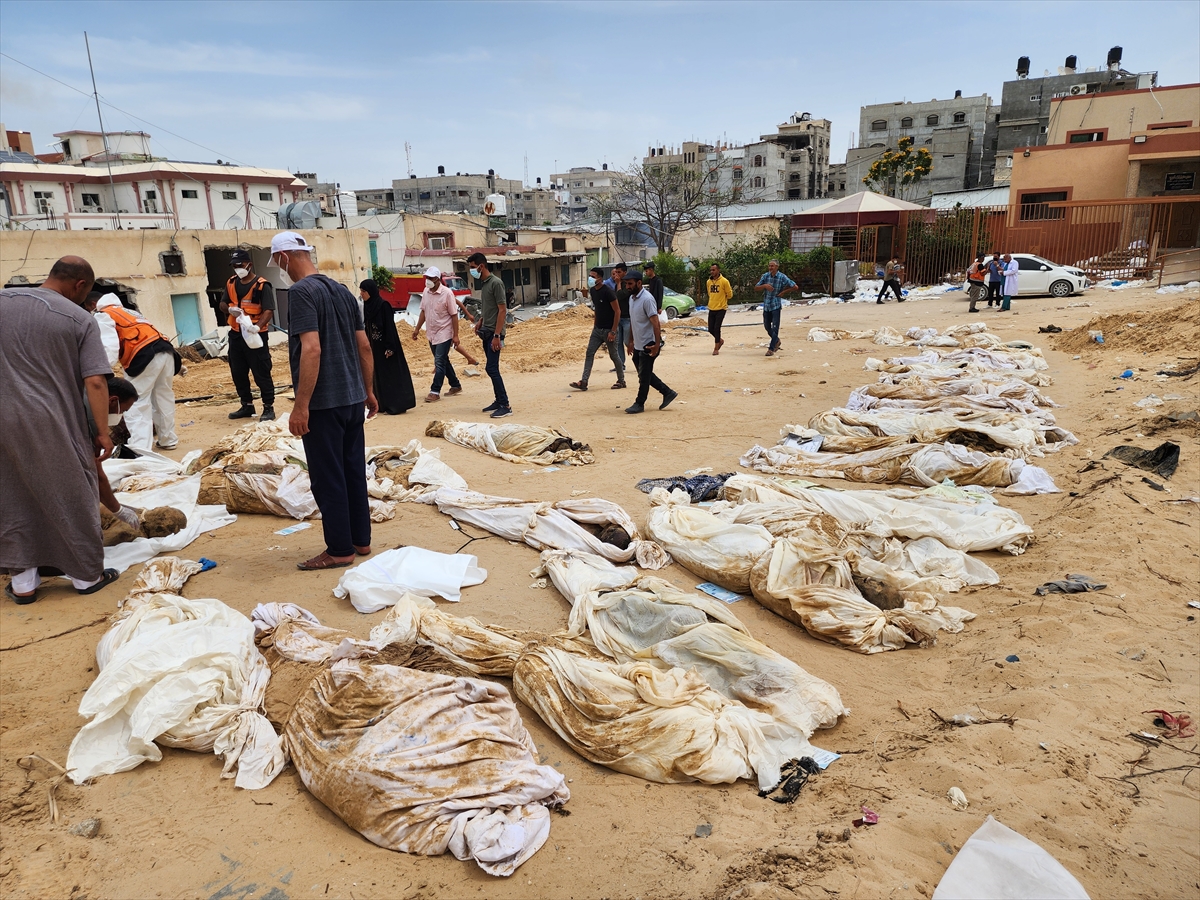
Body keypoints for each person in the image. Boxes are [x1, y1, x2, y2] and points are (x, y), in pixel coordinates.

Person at [1, 256, 119, 602]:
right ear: (80, 285)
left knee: (10, 495)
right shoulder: (78, 318)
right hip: (51, 420)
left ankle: (23, 583)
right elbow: (96, 381)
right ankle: (85, 575)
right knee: (73, 492)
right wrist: (102, 432)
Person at [272, 231, 377, 571]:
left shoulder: (301, 293)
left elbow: (311, 349)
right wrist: (369, 391)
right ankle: (361, 540)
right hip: (351, 400)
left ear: (283, 257)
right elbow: (363, 346)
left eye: (277, 261)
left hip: (324, 403)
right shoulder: (344, 292)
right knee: (352, 473)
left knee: (327, 476)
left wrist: (301, 405)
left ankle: (339, 549)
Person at [94, 292, 180, 450]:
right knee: (163, 397)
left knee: (136, 402)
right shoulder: (130, 312)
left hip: (142, 355)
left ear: (92, 305)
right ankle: (168, 440)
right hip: (166, 351)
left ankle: (140, 449)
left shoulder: (103, 315)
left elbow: (110, 345)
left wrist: (103, 371)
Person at [221, 248, 276, 421]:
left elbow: (268, 310)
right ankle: (247, 405)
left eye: (240, 264)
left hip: (255, 335)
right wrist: (229, 309)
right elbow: (222, 303)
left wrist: (257, 327)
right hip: (236, 334)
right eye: (234, 265)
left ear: (249, 265)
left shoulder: (261, 285)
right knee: (238, 371)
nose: (237, 268)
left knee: (261, 371)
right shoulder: (231, 282)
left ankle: (268, 407)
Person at [624, 270, 677, 414]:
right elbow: (633, 322)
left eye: (630, 284)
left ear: (639, 283)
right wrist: (630, 342)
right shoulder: (632, 299)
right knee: (644, 374)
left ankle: (639, 403)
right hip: (639, 344)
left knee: (644, 376)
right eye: (626, 284)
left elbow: (656, 324)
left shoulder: (647, 299)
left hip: (649, 343)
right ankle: (667, 392)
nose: (627, 287)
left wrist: (656, 345)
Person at [359, 279, 415, 415]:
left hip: (386, 347)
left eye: (364, 291)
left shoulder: (383, 305)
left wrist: (390, 347)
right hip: (373, 347)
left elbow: (390, 328)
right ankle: (381, 404)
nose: (361, 294)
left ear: (370, 292)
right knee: (377, 375)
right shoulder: (366, 307)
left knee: (390, 375)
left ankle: (396, 405)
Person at [412, 266, 465, 402]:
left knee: (439, 362)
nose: (427, 280)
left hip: (444, 333)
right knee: (443, 360)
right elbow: (423, 311)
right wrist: (417, 329)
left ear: (437, 279)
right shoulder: (426, 292)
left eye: (430, 278)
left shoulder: (447, 293)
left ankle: (435, 391)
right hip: (431, 333)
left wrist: (456, 335)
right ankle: (455, 385)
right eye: (427, 278)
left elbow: (454, 315)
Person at [467, 252, 511, 418]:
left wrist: (497, 336)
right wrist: (480, 321)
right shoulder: (485, 284)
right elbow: (489, 308)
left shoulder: (496, 283)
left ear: (481, 266)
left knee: (491, 368)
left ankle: (505, 405)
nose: (472, 270)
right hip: (487, 331)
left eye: (472, 267)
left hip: (495, 333)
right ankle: (498, 401)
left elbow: (502, 310)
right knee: (493, 369)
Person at [571, 266, 623, 391]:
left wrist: (613, 331)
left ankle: (621, 380)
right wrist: (595, 325)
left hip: (609, 330)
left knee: (614, 355)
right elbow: (597, 310)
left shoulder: (608, 292)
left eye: (593, 276)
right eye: (590, 276)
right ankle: (584, 381)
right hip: (597, 329)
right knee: (589, 353)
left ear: (600, 278)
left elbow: (617, 311)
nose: (590, 279)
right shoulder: (593, 291)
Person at [753, 259, 797, 357]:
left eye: (772, 266)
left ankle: (771, 348)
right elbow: (756, 287)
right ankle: (776, 340)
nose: (770, 268)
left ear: (777, 267)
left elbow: (795, 286)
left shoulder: (782, 277)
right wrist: (765, 286)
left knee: (775, 327)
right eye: (769, 266)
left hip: (776, 305)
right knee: (767, 326)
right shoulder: (765, 276)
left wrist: (783, 292)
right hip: (767, 305)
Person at [706, 263, 733, 355]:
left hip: (721, 308)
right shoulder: (709, 282)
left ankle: (716, 347)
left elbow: (729, 294)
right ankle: (720, 340)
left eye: (714, 270)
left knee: (717, 328)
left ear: (718, 270)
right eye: (711, 270)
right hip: (712, 307)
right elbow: (709, 293)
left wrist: (723, 299)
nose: (712, 272)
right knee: (710, 329)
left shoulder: (724, 281)